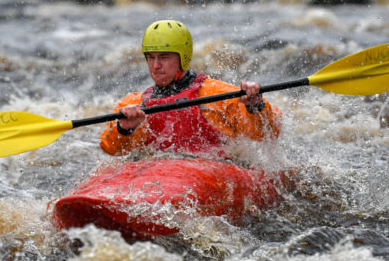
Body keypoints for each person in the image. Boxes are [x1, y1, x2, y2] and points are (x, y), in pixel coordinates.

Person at [100, 20, 282, 158]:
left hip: (214, 170)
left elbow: (267, 134)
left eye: (164, 57)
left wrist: (255, 106)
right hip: (159, 173)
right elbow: (111, 150)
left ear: (183, 58)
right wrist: (124, 129)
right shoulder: (133, 105)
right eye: (151, 57)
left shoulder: (217, 94)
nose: (155, 65)